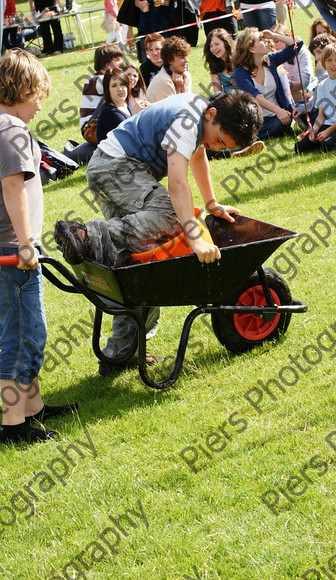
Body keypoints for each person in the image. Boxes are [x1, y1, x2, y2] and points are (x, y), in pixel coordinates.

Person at [54, 91, 263, 375]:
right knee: (171, 216)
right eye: (219, 140)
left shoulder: (201, 115)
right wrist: (194, 239)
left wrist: (211, 203)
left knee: (138, 265)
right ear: (212, 116)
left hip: (114, 168)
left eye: (223, 146)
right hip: (116, 167)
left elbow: (198, 155)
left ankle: (122, 353)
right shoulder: (188, 121)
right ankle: (86, 236)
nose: (215, 147)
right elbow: (177, 185)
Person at [0, 49, 77, 444]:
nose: (40, 105)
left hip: (11, 251)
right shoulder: (10, 130)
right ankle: (13, 426)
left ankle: (33, 406)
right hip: (14, 253)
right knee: (21, 337)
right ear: (21, 88)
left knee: (27, 330)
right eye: (37, 95)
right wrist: (27, 244)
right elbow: (13, 189)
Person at [233, 27, 301, 140]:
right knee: (278, 124)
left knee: (283, 121)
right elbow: (255, 97)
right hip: (258, 119)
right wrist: (279, 111)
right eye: (261, 39)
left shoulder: (271, 60)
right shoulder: (240, 73)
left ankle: (251, 138)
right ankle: (250, 138)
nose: (266, 40)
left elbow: (298, 44)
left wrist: (274, 36)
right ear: (251, 49)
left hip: (279, 116)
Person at [295, 44, 336, 153]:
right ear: (324, 62)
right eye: (329, 60)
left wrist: (328, 132)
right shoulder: (322, 85)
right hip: (327, 123)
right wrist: (313, 131)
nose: (334, 64)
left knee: (326, 145)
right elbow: (321, 115)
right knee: (299, 148)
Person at [271, 23, 316, 102]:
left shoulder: (301, 52)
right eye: (271, 42)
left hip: (304, 91)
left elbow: (304, 83)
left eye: (276, 41)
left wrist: (285, 85)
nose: (273, 45)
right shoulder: (270, 55)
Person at [146, 36, 192, 103]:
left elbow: (189, 103)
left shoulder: (186, 75)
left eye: (186, 56)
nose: (187, 60)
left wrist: (183, 88)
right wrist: (178, 89)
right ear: (170, 60)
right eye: (182, 57)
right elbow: (173, 110)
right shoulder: (163, 81)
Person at [97, 68, 131, 143]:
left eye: (122, 84)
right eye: (114, 85)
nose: (120, 89)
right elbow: (132, 137)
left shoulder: (125, 105)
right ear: (107, 90)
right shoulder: (110, 113)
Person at [203, 28, 235, 93]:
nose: (214, 49)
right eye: (210, 46)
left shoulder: (239, 58)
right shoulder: (213, 63)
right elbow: (217, 92)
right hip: (229, 100)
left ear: (226, 43)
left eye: (217, 44)